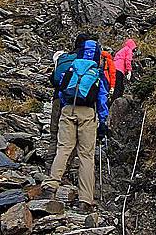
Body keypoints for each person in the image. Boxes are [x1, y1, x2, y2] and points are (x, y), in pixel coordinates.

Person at [43, 35, 109, 212]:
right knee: (86, 156)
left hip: (68, 111)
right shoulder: (97, 72)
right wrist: (102, 121)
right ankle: (85, 200)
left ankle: (51, 186)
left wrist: (67, 108)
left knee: (63, 149)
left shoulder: (72, 67)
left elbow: (62, 91)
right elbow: (102, 99)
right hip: (87, 113)